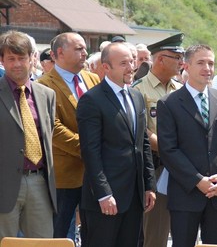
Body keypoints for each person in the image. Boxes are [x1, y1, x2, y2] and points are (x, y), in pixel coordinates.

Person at [157, 44, 217, 247]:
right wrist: (198, 181)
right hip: (185, 195)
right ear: (185, 66)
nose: (208, 68)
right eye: (201, 63)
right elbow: (169, 150)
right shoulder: (169, 103)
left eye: (211, 63)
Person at [76, 42, 156, 247]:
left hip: (135, 197)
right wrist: (103, 193)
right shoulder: (91, 100)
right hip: (106, 199)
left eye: (132, 61)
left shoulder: (137, 97)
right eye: (123, 63)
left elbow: (143, 144)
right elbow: (90, 152)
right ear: (106, 68)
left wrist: (148, 185)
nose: (131, 67)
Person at [37, 32, 100, 239]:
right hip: (65, 175)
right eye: (79, 49)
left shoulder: (93, 78)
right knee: (61, 231)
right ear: (59, 53)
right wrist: (89, 148)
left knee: (94, 231)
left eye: (85, 48)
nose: (85, 53)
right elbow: (53, 128)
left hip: (94, 173)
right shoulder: (44, 85)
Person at [0, 30, 57, 240]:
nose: (17, 64)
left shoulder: (47, 95)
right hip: (3, 185)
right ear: (2, 60)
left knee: (43, 242)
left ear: (32, 58)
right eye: (11, 58)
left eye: (22, 58)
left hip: (39, 183)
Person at [132, 33, 184, 247]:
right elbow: (140, 130)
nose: (182, 62)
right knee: (155, 233)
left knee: (185, 231)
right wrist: (170, 150)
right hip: (156, 168)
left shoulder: (180, 89)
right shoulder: (138, 89)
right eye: (177, 57)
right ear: (161, 59)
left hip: (183, 169)